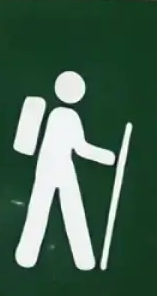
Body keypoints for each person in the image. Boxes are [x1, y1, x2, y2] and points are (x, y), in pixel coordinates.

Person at [12, 70, 114, 271]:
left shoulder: (55, 114)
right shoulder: (68, 116)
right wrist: (107, 157)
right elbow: (81, 148)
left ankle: (27, 255)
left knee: (41, 210)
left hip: (48, 168)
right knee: (71, 210)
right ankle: (82, 260)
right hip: (60, 168)